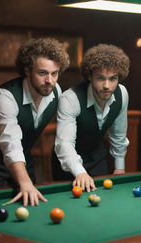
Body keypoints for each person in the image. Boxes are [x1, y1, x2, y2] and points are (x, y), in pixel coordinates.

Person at [0, 37, 70, 206]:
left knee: (33, 206)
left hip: (24, 161)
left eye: (54, 73)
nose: (50, 81)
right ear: (27, 70)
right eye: (42, 73)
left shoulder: (56, 92)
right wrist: (25, 183)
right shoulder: (5, 96)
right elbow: (10, 143)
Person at [54, 44, 130, 192]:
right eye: (101, 78)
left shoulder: (122, 94)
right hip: (67, 162)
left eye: (113, 79)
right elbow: (65, 144)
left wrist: (119, 168)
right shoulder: (70, 99)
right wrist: (80, 172)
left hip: (97, 157)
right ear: (90, 76)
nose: (107, 85)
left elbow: (118, 135)